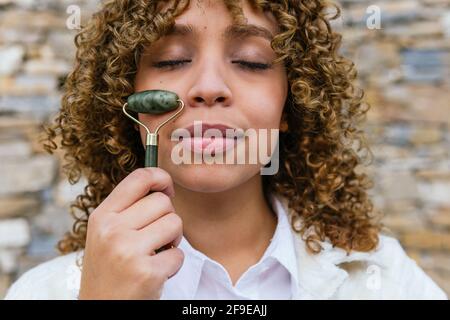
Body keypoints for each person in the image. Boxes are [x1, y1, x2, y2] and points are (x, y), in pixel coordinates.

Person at [4, 0, 447, 300]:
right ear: (125, 97)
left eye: (251, 62)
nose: (209, 87)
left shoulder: (385, 279)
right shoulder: (48, 291)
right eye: (172, 59)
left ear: (292, 102)